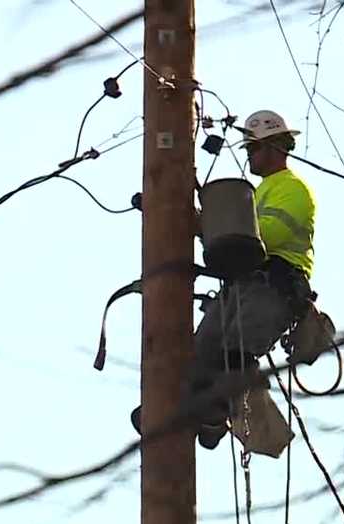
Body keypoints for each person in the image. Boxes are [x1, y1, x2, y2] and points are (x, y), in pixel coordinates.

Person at [132, 109, 317, 448]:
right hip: (242, 285)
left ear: (276, 147)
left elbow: (267, 236)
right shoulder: (260, 191)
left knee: (236, 354)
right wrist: (178, 213)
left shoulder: (293, 189)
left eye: (253, 150)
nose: (249, 157)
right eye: (247, 150)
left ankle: (216, 414)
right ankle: (185, 415)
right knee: (197, 355)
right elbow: (236, 234)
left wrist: (218, 229)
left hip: (274, 287)